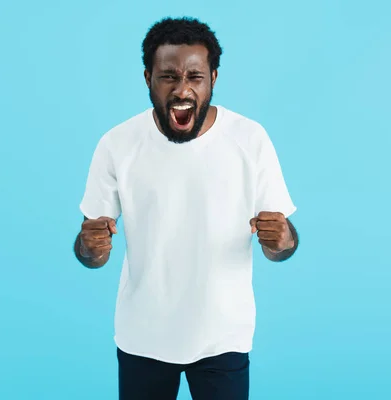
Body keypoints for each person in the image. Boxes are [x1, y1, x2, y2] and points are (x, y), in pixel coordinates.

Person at [73, 16, 299, 400]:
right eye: (168, 77)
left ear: (213, 78)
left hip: (223, 337)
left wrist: (281, 239)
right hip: (142, 336)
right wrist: (89, 247)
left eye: (195, 76)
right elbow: (89, 251)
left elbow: (283, 246)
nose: (182, 89)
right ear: (148, 78)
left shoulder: (250, 139)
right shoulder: (117, 144)